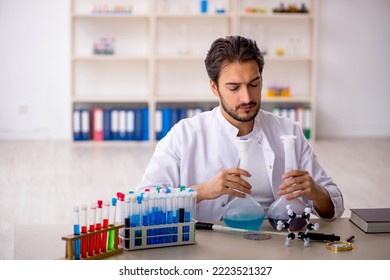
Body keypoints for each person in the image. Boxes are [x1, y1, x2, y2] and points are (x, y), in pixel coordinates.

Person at [135, 35, 344, 222]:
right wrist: (201, 191)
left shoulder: (288, 131)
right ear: (214, 88)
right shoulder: (184, 135)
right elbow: (143, 201)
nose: (247, 97)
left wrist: (317, 193)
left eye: (254, 84)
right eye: (234, 88)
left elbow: (335, 206)